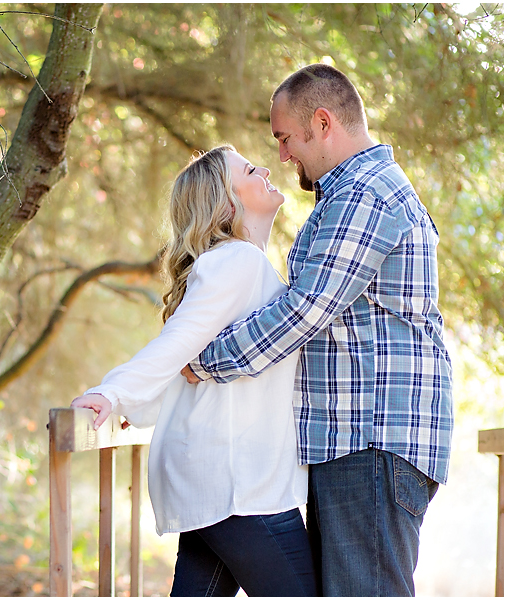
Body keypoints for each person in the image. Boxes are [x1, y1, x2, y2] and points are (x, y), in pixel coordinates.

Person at [183, 63, 453, 596]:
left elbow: (306, 309)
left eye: (285, 137)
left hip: (371, 441)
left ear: (323, 122)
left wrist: (203, 360)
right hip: (355, 443)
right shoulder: (349, 195)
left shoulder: (365, 195)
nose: (282, 155)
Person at [71, 146, 317, 597]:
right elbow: (179, 342)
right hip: (237, 484)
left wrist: (137, 403)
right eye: (247, 169)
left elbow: (192, 368)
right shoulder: (236, 261)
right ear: (227, 203)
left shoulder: (244, 266)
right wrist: (115, 394)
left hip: (221, 479)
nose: (264, 168)